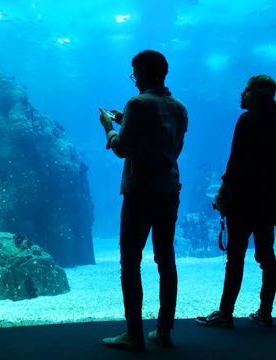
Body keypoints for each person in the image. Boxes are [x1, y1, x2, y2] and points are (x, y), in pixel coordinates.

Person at [98, 50, 188, 352]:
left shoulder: (137, 103)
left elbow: (122, 148)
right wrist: (129, 123)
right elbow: (164, 141)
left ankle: (134, 334)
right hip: (169, 191)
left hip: (140, 193)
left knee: (130, 262)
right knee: (166, 260)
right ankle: (164, 331)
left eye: (135, 72)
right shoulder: (179, 107)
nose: (134, 78)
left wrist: (110, 127)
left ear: (144, 72)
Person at [196, 75, 276, 329]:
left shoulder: (247, 120)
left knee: (236, 258)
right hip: (269, 201)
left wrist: (223, 194)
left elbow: (236, 162)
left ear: (259, 94)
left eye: (246, 91)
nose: (241, 95)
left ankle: (225, 313)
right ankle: (265, 313)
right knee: (267, 257)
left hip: (243, 200)